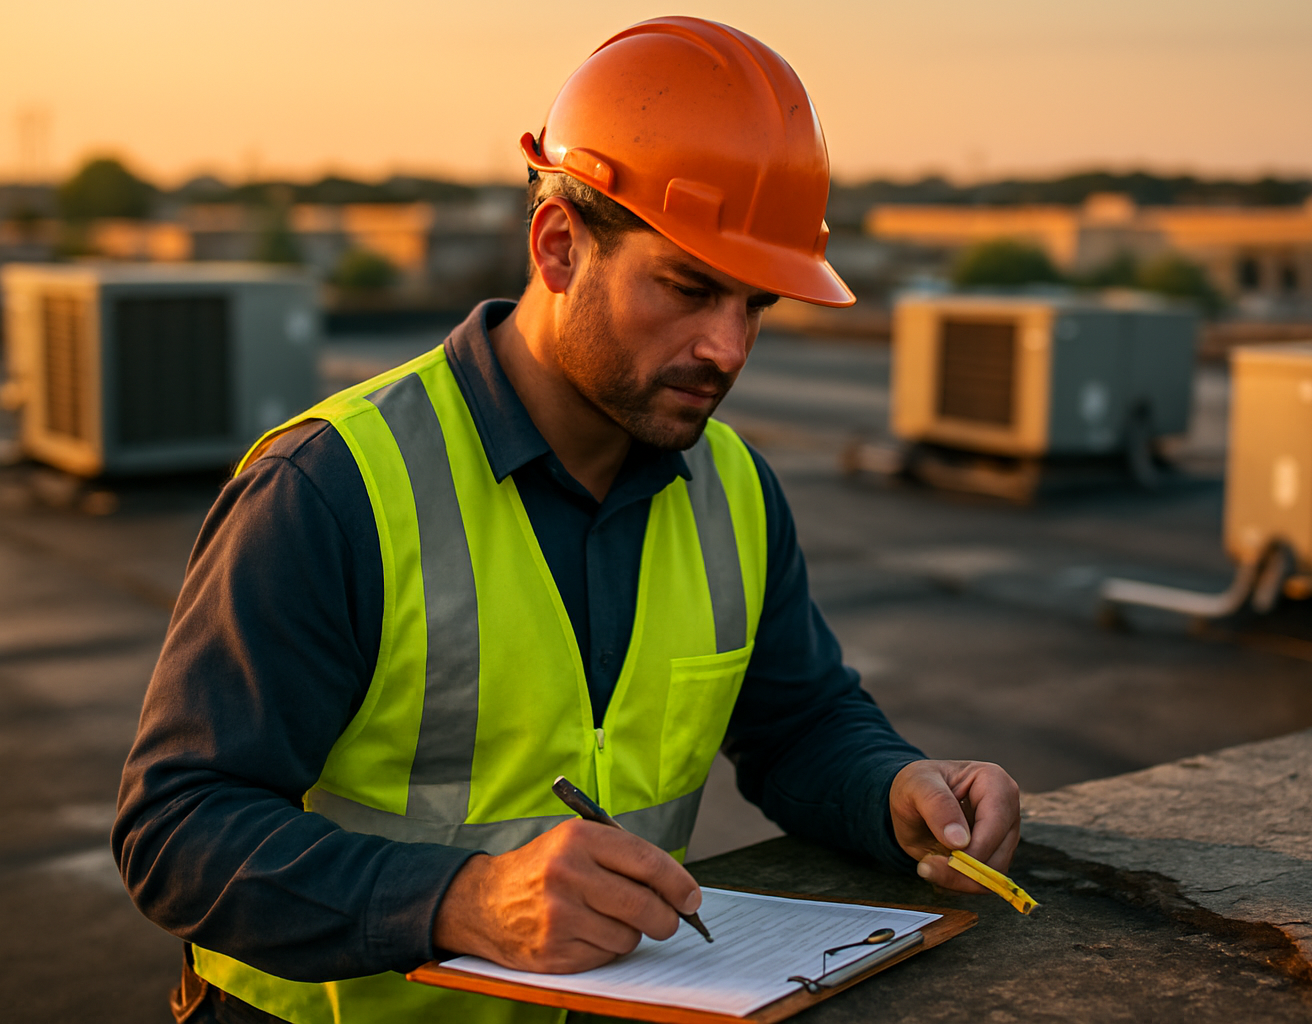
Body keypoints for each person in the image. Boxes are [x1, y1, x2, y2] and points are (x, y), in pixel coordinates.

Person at [113, 16, 1020, 1024]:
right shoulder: (333, 487)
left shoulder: (735, 492)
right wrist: (458, 898)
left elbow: (800, 724)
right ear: (557, 246)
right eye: (688, 287)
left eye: (756, 304)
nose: (727, 347)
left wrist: (894, 789)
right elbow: (176, 827)